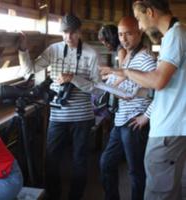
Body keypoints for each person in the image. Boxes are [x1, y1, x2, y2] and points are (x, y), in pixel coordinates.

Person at [101, 0, 186, 199]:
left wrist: (126, 72)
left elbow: (157, 81)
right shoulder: (172, 36)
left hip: (169, 126)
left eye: (138, 19)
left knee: (157, 190)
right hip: (168, 124)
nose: (139, 25)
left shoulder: (176, 35)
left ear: (150, 12)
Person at [18, 14, 100, 200]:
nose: (68, 37)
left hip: (83, 117)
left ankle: (75, 197)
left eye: (72, 33)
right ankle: (54, 196)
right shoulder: (53, 50)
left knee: (80, 160)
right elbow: (29, 71)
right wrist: (23, 49)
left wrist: (74, 78)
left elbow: (97, 88)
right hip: (57, 115)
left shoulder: (91, 53)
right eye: (64, 32)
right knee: (51, 159)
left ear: (80, 32)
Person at [99, 16, 156, 200]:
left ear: (139, 32)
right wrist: (109, 83)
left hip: (134, 121)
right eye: (120, 34)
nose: (123, 38)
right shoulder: (129, 56)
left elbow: (161, 93)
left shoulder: (147, 60)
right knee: (106, 163)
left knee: (136, 172)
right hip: (120, 119)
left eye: (128, 34)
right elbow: (123, 83)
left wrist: (145, 116)